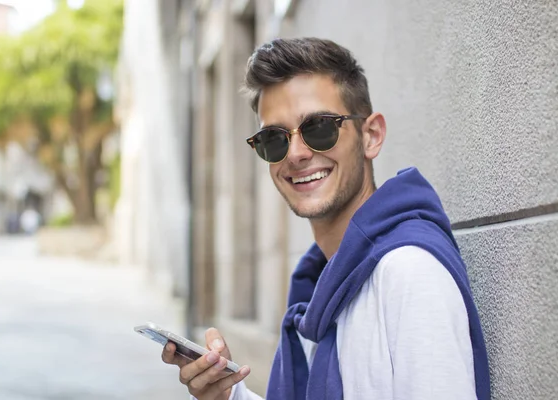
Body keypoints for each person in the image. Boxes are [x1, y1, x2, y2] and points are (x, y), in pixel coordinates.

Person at [162, 37, 491, 400]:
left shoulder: (409, 274)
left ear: (371, 135)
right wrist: (227, 395)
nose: (297, 154)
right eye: (274, 139)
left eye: (319, 127)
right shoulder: (322, 279)